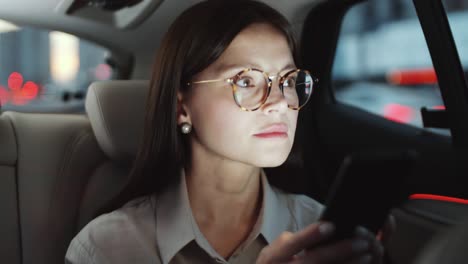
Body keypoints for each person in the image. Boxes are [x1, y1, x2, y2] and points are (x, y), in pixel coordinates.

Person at [65, 0, 390, 263]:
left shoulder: (319, 229)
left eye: (288, 81)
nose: (280, 103)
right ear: (182, 107)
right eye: (246, 81)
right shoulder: (106, 248)